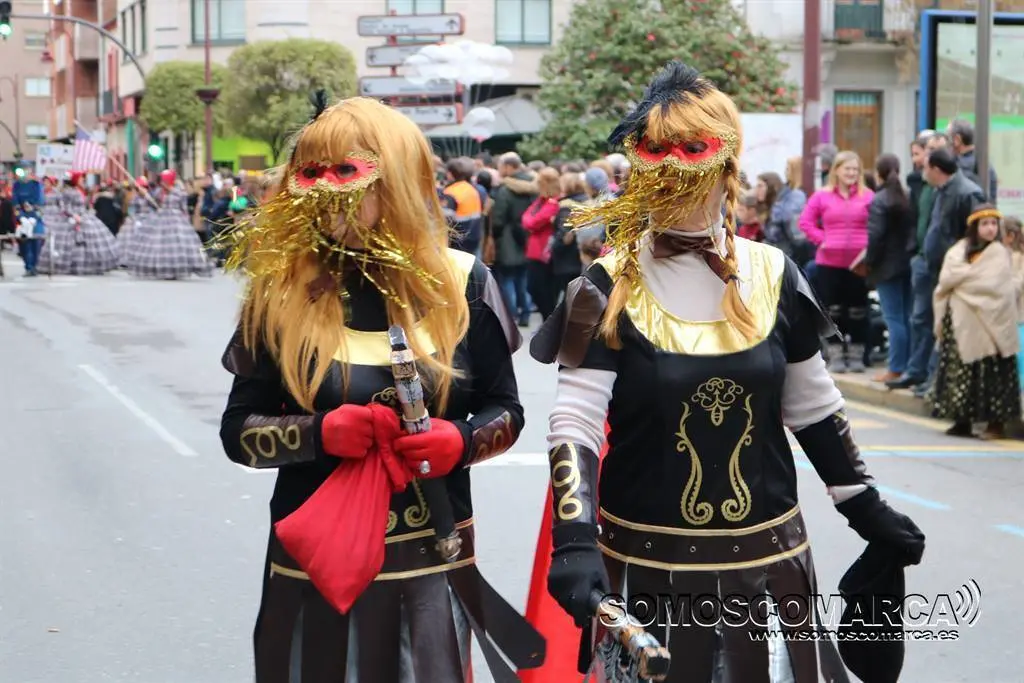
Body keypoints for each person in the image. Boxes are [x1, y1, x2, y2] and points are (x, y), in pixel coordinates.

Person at [526, 62, 925, 683]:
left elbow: (813, 408)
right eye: (656, 151)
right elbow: (575, 422)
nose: (673, 167)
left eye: (692, 149)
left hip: (769, 576)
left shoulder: (774, 272)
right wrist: (574, 536)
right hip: (647, 573)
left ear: (726, 164)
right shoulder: (604, 284)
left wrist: (864, 505)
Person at [217, 95, 540, 682]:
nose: (324, 189)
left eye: (346, 170)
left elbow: (506, 410)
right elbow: (238, 432)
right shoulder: (278, 291)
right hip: (316, 566)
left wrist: (461, 441)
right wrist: (318, 434)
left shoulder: (464, 282)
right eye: (311, 172)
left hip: (431, 564)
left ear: (396, 177)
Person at [931, 205, 1021, 439]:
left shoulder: (1000, 254)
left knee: (991, 374)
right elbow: (946, 279)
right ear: (974, 227)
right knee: (961, 374)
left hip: (991, 326)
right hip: (961, 323)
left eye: (994, 224)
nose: (990, 229)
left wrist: (962, 284)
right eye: (985, 224)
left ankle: (995, 424)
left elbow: (996, 288)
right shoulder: (957, 252)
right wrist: (963, 282)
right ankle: (962, 421)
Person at [799, 151, 874, 373]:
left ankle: (857, 356)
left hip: (858, 263)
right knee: (833, 311)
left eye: (855, 169)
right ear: (837, 170)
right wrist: (822, 240)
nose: (851, 173)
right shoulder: (821, 196)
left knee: (858, 310)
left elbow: (877, 223)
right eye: (847, 168)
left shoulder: (868, 196)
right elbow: (805, 222)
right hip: (829, 263)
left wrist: (869, 245)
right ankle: (836, 355)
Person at [864, 154, 914, 384]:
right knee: (906, 317)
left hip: (886, 267)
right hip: (907, 264)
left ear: (878, 173)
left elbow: (876, 237)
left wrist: (869, 262)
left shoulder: (879, 200)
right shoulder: (907, 196)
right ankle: (909, 365)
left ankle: (895, 367)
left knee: (893, 318)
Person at [123, 169, 213, 280]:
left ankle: (177, 268)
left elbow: (183, 208)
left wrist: (186, 222)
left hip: (176, 221)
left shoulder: (179, 192)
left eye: (164, 180)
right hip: (160, 219)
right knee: (158, 245)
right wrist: (146, 195)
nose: (162, 182)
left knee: (176, 246)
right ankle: (161, 268)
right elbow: (152, 203)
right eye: (162, 180)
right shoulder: (158, 192)